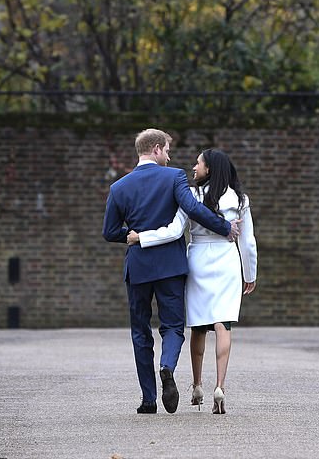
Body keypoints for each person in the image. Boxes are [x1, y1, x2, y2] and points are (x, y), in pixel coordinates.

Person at [102, 129, 240, 415]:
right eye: (167, 150)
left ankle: (148, 400)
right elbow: (192, 208)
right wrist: (224, 227)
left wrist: (132, 235)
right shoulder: (174, 177)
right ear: (155, 149)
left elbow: (110, 232)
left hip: (138, 266)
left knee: (140, 331)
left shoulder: (119, 188)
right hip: (170, 267)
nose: (170, 155)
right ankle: (167, 366)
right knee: (173, 327)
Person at [127, 149, 257, 414]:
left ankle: (197, 385)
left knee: (198, 325)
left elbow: (174, 230)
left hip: (198, 259)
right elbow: (248, 242)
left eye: (197, 163)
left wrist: (142, 237)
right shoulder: (240, 198)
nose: (193, 167)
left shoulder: (191, 195)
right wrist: (250, 273)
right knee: (223, 324)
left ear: (209, 169)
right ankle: (219, 386)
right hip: (227, 261)